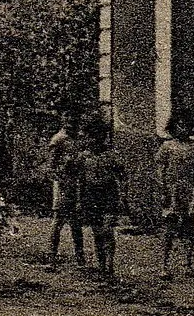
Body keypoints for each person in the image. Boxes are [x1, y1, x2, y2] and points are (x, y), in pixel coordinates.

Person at [155, 110, 194, 280]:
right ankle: (164, 265)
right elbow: (160, 170)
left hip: (189, 191)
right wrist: (163, 190)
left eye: (187, 126)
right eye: (179, 126)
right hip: (172, 191)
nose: (183, 129)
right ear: (173, 127)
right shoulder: (167, 146)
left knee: (189, 228)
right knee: (169, 228)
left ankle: (188, 263)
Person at [76, 116, 125, 279]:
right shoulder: (83, 156)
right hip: (91, 195)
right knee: (97, 232)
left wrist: (123, 196)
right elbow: (80, 180)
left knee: (107, 230)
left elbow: (122, 174)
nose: (91, 140)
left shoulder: (112, 155)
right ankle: (101, 266)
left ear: (101, 137)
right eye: (88, 137)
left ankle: (110, 265)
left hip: (109, 193)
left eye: (95, 137)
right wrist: (79, 200)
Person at [46, 107, 87, 267]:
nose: (71, 122)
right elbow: (51, 167)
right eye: (67, 118)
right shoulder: (58, 139)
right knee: (58, 221)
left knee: (76, 224)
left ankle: (80, 258)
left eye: (73, 119)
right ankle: (52, 257)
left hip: (76, 185)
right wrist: (61, 177)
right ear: (63, 119)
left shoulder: (78, 139)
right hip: (63, 185)